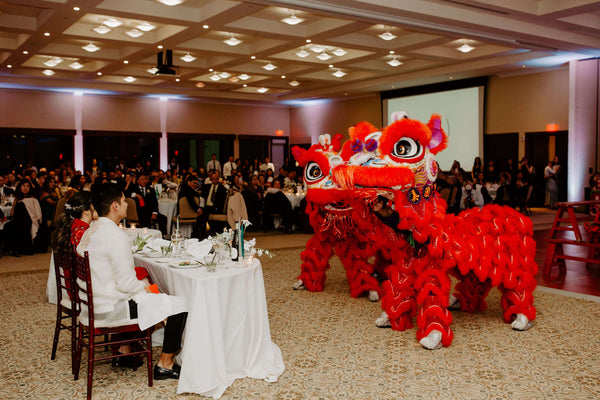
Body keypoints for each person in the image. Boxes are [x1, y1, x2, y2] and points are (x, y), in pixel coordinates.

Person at [77, 183, 187, 379]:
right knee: (179, 304)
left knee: (151, 293)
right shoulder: (114, 235)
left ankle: (124, 351)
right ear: (115, 206)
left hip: (94, 302)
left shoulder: (91, 230)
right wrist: (155, 295)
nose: (127, 204)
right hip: (110, 306)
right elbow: (127, 285)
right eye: (123, 201)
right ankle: (165, 364)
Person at [2, 180, 46, 256]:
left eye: (28, 186)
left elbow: (36, 213)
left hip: (28, 221)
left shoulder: (32, 199)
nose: (26, 188)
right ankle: (10, 249)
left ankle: (14, 249)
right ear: (20, 187)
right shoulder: (18, 198)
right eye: (23, 186)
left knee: (12, 226)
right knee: (7, 226)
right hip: (18, 220)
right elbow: (12, 213)